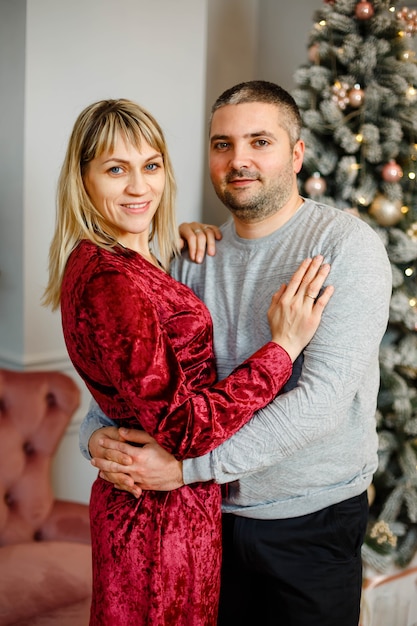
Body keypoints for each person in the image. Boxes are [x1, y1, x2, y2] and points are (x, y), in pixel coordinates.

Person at [81, 82, 392, 626]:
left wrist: (187, 468)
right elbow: (137, 379)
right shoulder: (192, 257)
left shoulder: (345, 247)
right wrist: (93, 434)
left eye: (259, 141)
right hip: (202, 521)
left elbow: (318, 402)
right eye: (222, 144)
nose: (238, 159)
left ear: (296, 153)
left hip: (307, 523)